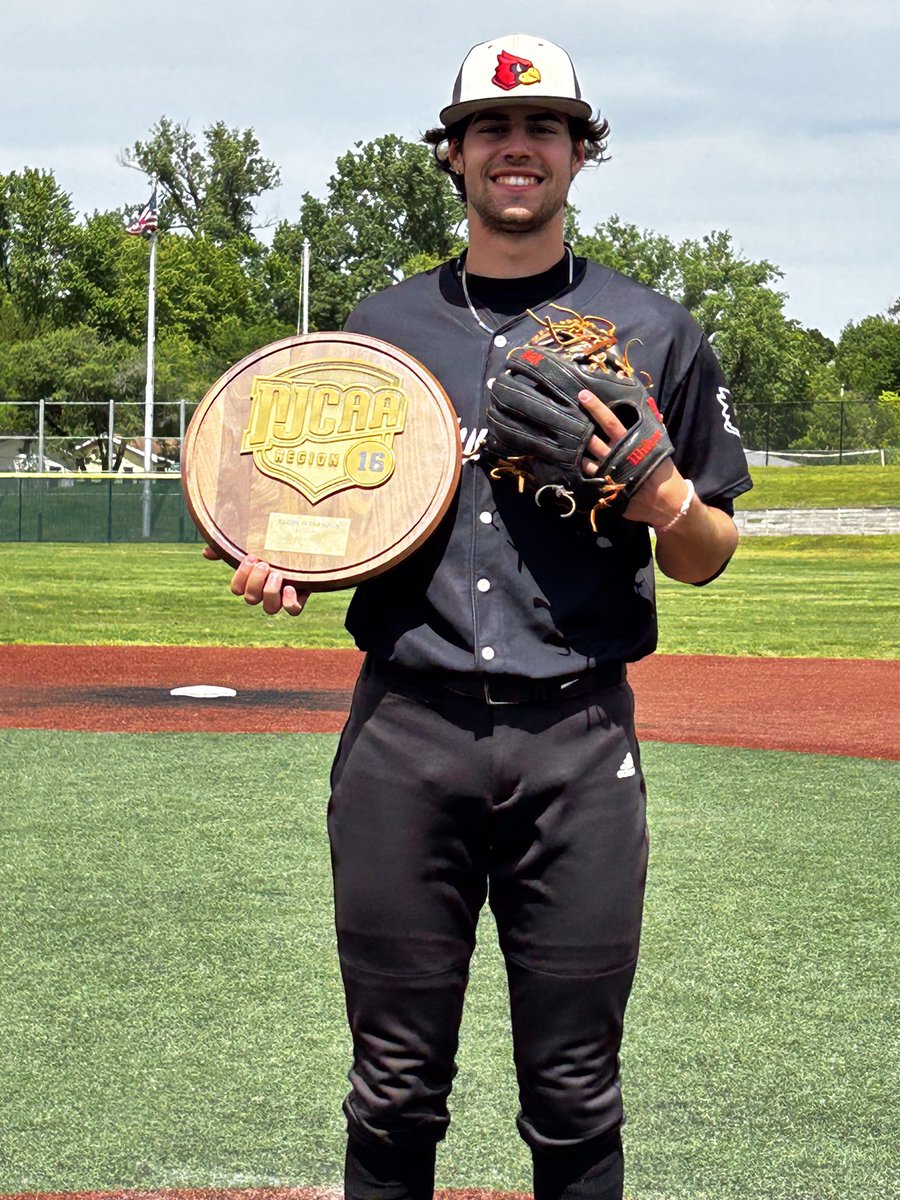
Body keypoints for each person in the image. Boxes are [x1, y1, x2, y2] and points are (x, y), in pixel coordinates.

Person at [210, 32, 752, 1200]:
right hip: (405, 736)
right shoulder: (381, 330)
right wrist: (294, 563)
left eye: (544, 128)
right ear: (454, 157)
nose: (518, 147)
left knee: (575, 1093)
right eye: (492, 129)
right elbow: (347, 514)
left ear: (579, 153)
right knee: (395, 1088)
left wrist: (664, 498)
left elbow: (709, 553)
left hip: (579, 740)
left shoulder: (651, 330)